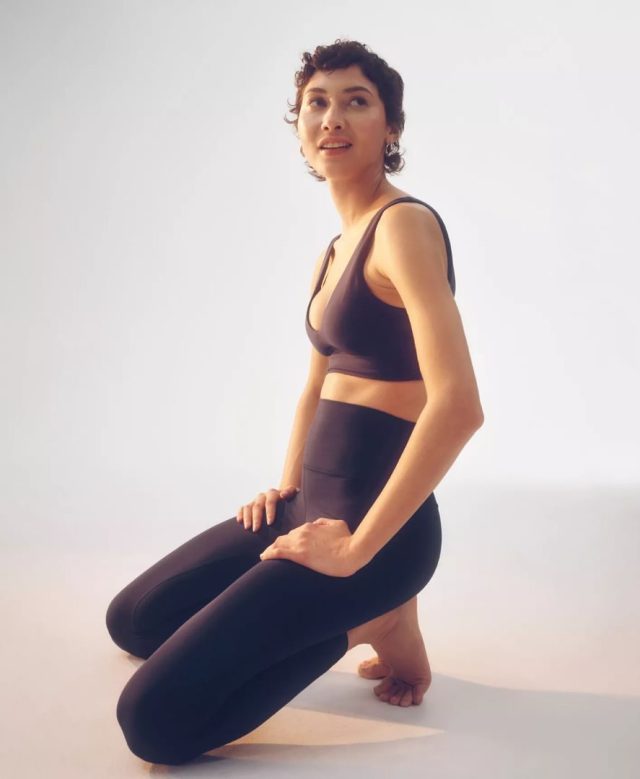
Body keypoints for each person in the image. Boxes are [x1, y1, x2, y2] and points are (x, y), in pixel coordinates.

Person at [105, 39, 484, 766]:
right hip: (309, 504)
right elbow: (317, 383)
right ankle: (349, 599)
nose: (332, 117)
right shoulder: (333, 249)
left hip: (380, 536)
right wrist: (286, 486)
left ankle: (372, 614)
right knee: (134, 621)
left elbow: (460, 405)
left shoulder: (403, 226)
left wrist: (354, 548)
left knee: (153, 722)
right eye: (317, 102)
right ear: (300, 128)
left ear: (391, 128)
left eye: (356, 101)